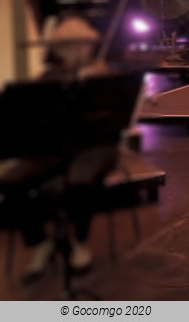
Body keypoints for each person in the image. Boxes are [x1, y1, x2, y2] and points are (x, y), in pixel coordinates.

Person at [16, 17, 113, 282]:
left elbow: (112, 120)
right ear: (60, 50)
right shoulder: (49, 78)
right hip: (55, 148)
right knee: (14, 179)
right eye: (72, 46)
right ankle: (40, 244)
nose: (80, 51)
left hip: (94, 148)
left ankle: (78, 240)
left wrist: (95, 85)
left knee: (79, 179)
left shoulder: (102, 74)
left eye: (84, 45)